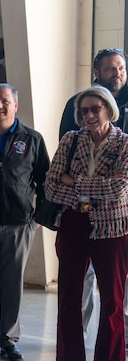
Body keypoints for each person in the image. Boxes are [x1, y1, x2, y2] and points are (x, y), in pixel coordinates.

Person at [44, 86, 128, 361]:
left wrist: (76, 183)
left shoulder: (124, 144)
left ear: (109, 109)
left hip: (113, 227)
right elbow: (52, 187)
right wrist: (94, 188)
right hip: (73, 225)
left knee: (112, 301)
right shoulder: (71, 140)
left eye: (96, 109)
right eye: (84, 111)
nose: (90, 115)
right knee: (69, 299)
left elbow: (119, 189)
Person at [0, 84, 50, 361]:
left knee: (12, 283)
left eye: (5, 101)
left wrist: (39, 218)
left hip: (20, 223)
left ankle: (9, 339)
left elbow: (45, 181)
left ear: (15, 105)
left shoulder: (32, 139)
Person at [58, 48, 127, 334]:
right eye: (111, 69)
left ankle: (119, 337)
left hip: (118, 214)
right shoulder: (77, 104)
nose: (118, 74)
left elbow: (120, 183)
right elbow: (59, 173)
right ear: (97, 72)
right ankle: (78, 334)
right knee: (80, 281)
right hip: (80, 211)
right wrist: (100, 186)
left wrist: (79, 183)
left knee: (117, 285)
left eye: (121, 68)